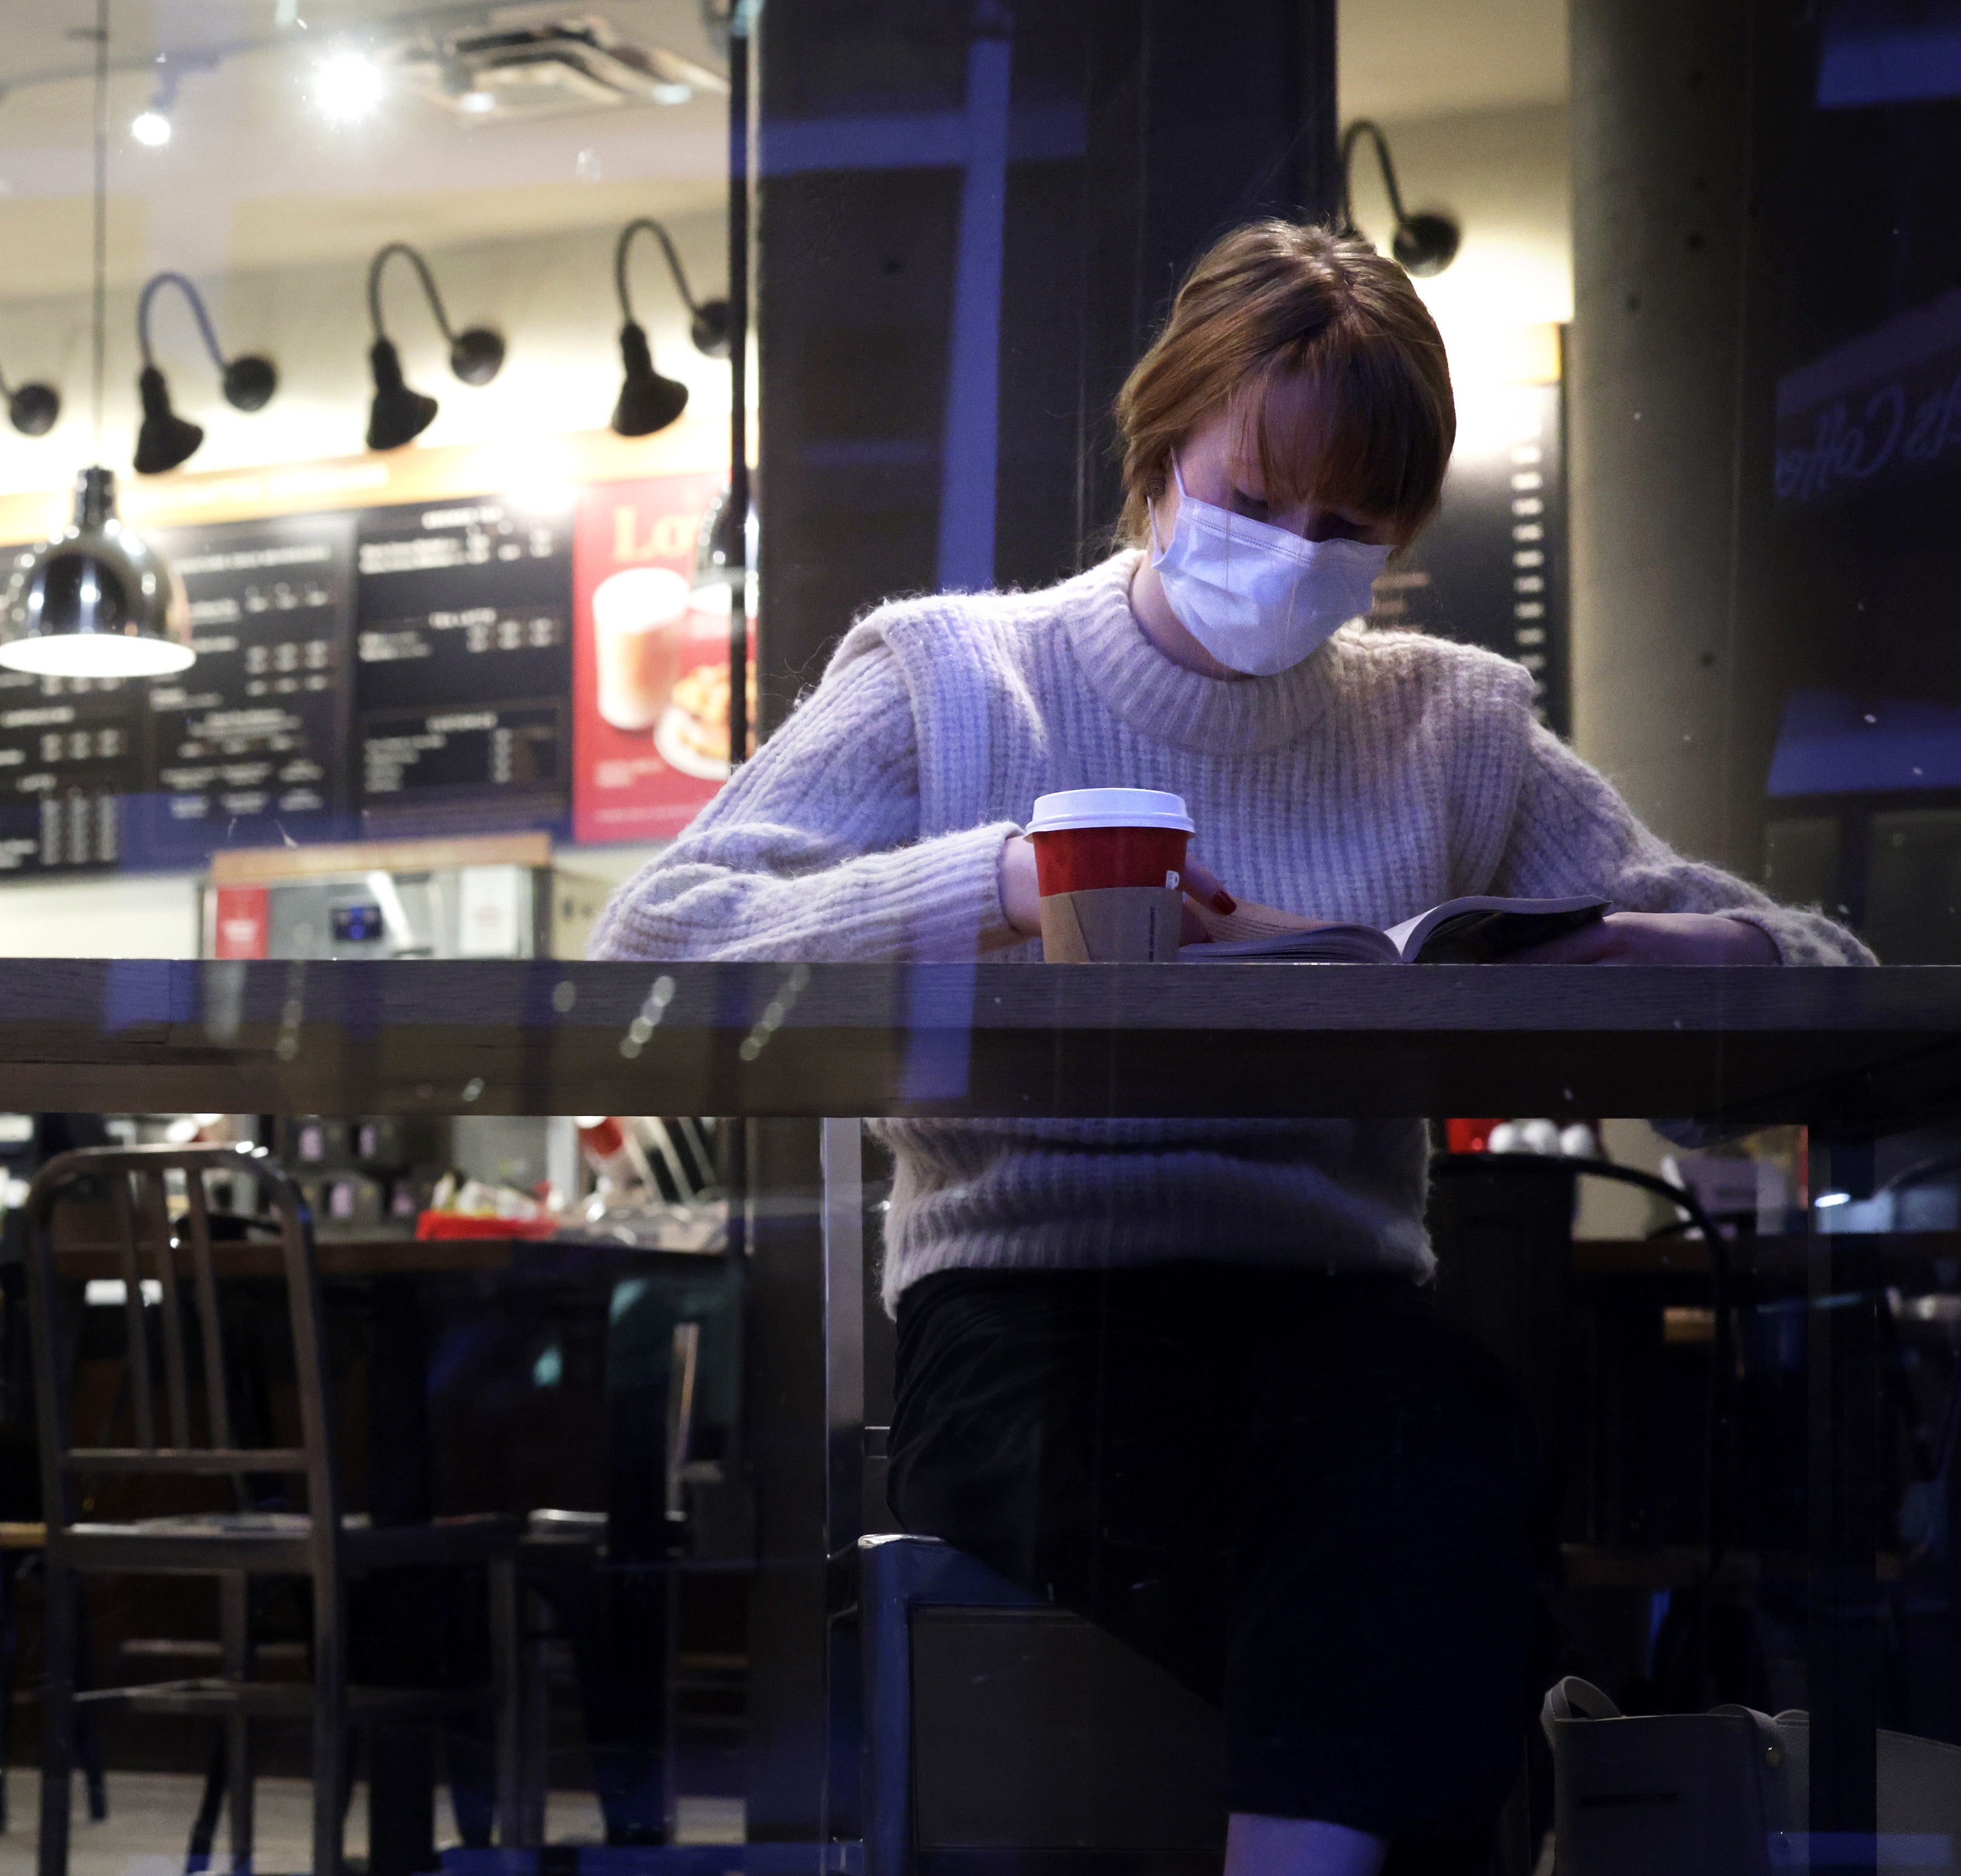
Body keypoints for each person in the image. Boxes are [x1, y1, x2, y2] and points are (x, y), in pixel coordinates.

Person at [589, 221, 1870, 1876]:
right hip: (1035, 1318)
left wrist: (1652, 942)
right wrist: (998, 877)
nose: (1291, 551)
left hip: (1335, 1315)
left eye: (1345, 528)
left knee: (1428, 1439)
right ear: (1157, 454)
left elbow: (1817, 968)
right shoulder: (954, 676)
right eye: (1254, 503)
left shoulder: (1450, 722)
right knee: (1392, 1503)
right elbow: (663, 935)